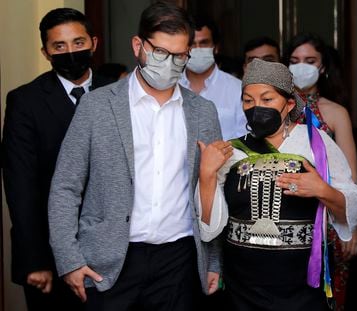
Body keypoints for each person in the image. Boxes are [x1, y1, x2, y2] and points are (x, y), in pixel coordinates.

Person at [48, 2, 221, 311]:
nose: (169, 63)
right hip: (109, 259)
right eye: (160, 53)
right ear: (138, 46)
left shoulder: (203, 112)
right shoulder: (97, 107)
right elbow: (65, 187)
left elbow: (211, 189)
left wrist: (214, 261)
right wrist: (69, 259)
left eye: (180, 56)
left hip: (178, 260)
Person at [197, 59, 357, 310]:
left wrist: (322, 189)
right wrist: (206, 174)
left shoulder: (314, 143)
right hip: (243, 287)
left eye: (267, 99)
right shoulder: (231, 151)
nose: (256, 108)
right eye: (248, 100)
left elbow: (351, 205)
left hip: (301, 286)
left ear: (288, 104)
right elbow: (210, 229)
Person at [2, 8, 112, 311]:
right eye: (59, 46)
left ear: (94, 42)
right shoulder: (25, 101)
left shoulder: (118, 93)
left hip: (114, 251)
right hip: (50, 255)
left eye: (78, 43)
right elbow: (20, 186)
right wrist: (34, 260)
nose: (70, 52)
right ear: (45, 52)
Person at [285, 32, 357, 310]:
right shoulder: (277, 109)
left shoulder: (336, 112)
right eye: (294, 60)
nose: (301, 66)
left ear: (323, 66)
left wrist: (351, 228)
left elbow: (350, 177)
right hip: (288, 218)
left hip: (328, 221)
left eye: (309, 60)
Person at [179, 15, 246, 140]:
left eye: (204, 43)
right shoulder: (170, 87)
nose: (197, 49)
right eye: (191, 44)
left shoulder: (238, 89)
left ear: (216, 48)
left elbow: (244, 139)